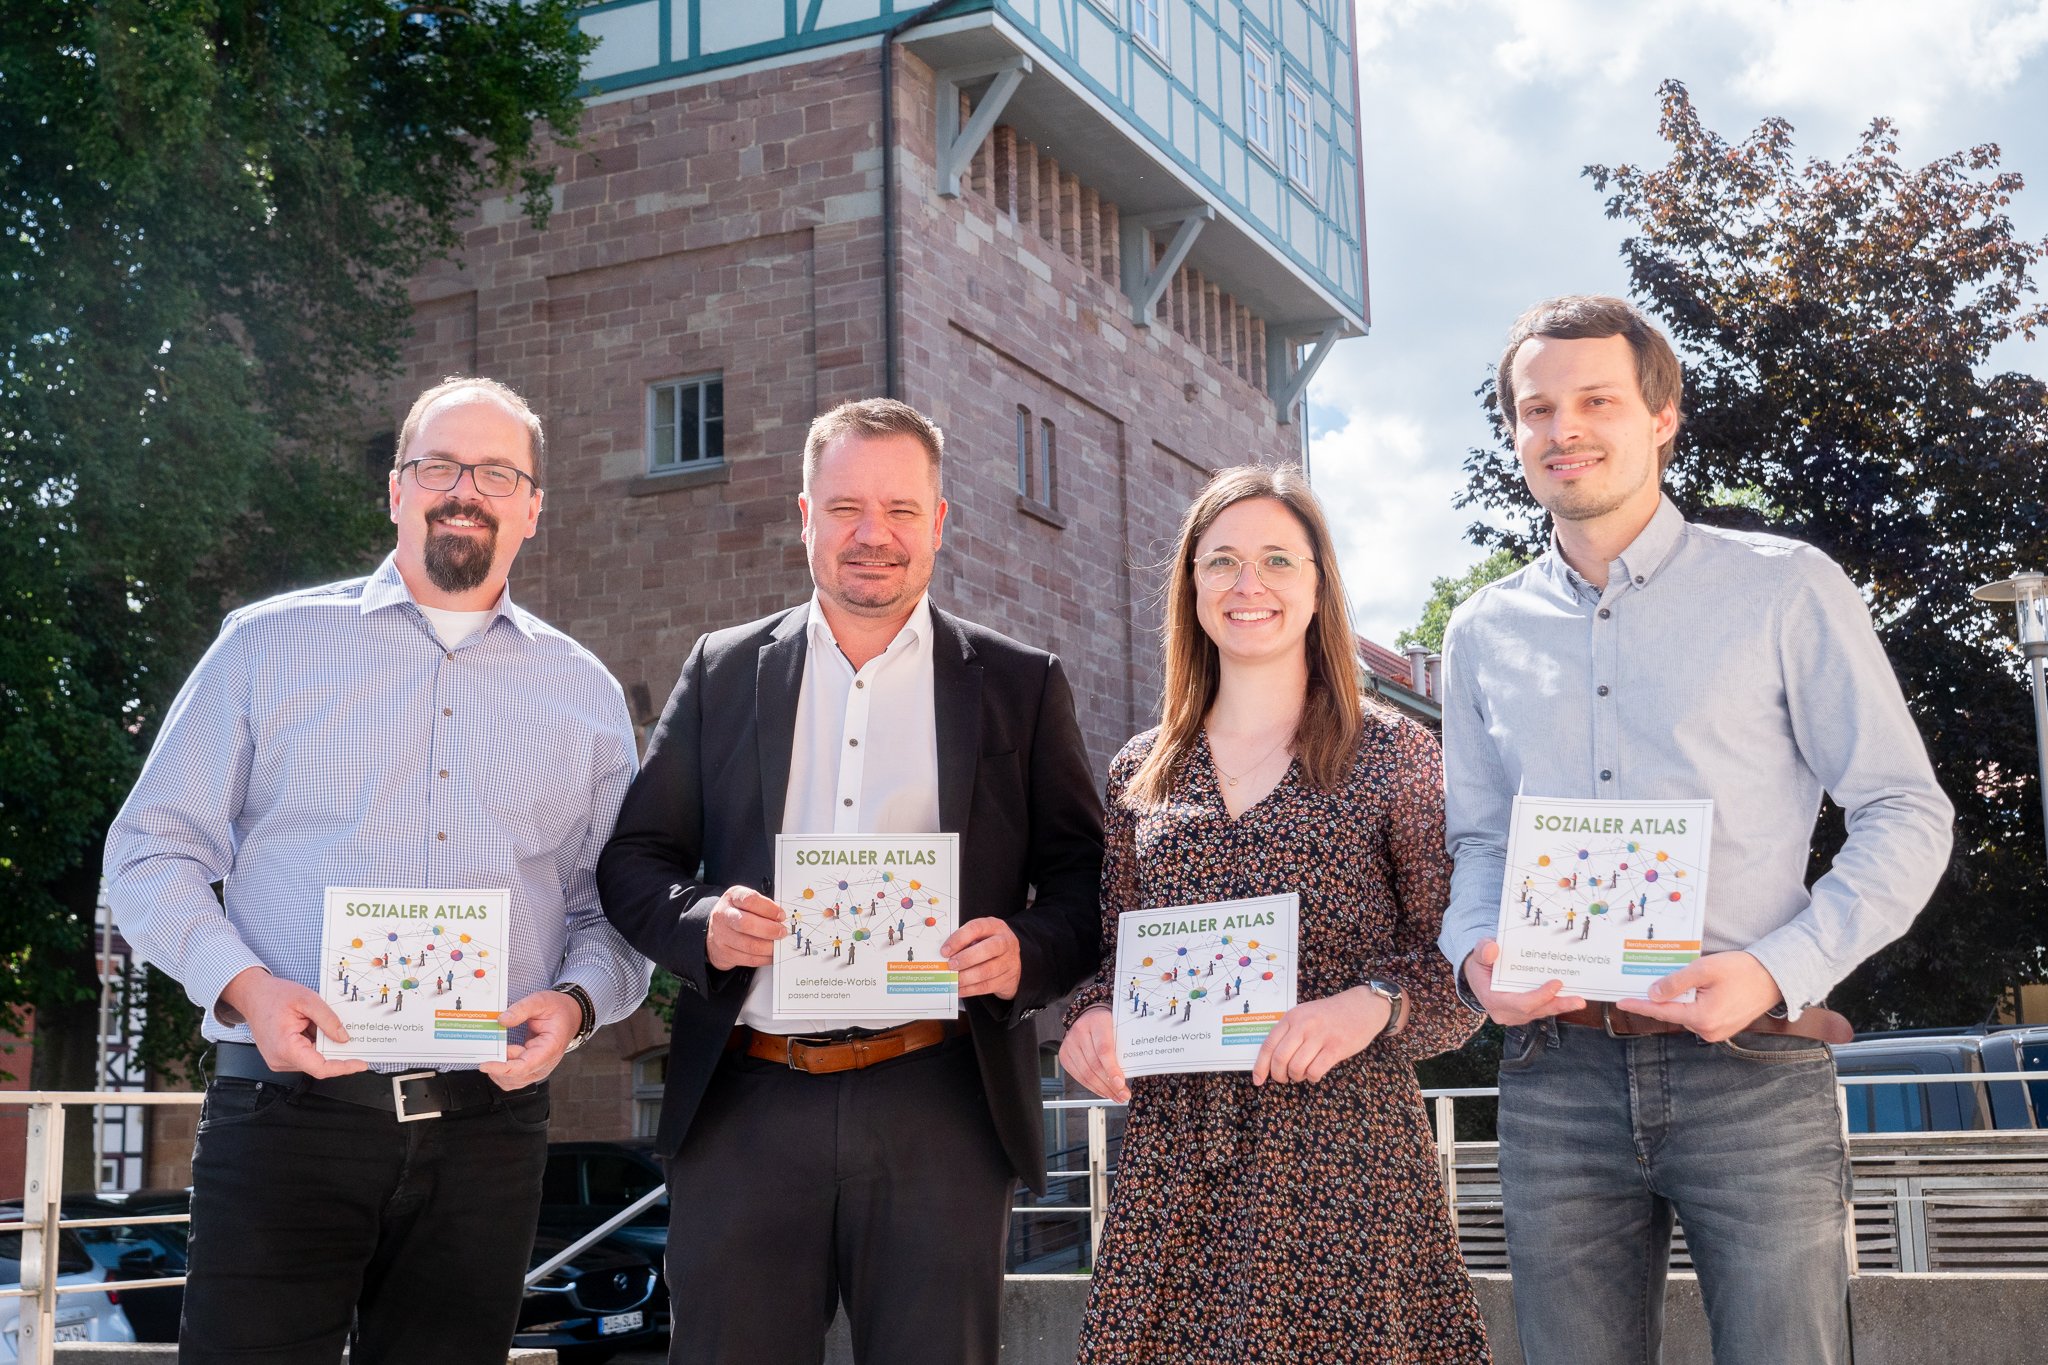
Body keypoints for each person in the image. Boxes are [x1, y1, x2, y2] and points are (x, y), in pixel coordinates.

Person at [1439, 296, 1954, 1365]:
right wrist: (1469, 954)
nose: (1561, 429)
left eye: (1594, 401)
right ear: (1511, 430)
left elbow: (1904, 810)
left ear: (1660, 417)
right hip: (1555, 1073)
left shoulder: (1783, 589)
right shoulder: (1481, 630)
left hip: (1752, 1073)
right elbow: (1480, 841)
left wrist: (1775, 971)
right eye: (1535, 408)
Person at [104, 376, 651, 1365]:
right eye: (437, 465)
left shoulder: (582, 694)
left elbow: (610, 906)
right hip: (287, 1118)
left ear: (532, 506)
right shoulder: (266, 648)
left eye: (495, 471)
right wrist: (249, 990)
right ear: (395, 490)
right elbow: (150, 851)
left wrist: (573, 1006)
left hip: (487, 1134)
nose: (463, 490)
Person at [596, 398, 1104, 1365]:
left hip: (941, 1102)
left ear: (940, 521)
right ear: (804, 516)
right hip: (747, 1103)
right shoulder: (724, 669)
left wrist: (1023, 952)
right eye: (845, 508)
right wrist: (701, 920)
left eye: (901, 509)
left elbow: (1085, 880)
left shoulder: (1018, 682)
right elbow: (633, 861)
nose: (873, 534)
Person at [1059, 465, 1489, 1364]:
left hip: (1343, 1162)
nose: (1248, 585)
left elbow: (1457, 963)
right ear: (1191, 587)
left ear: (1318, 583)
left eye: (1276, 560)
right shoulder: (1142, 772)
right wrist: (1091, 1018)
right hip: (1177, 1170)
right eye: (1221, 562)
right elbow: (1115, 955)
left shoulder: (1394, 751)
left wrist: (1370, 1001)